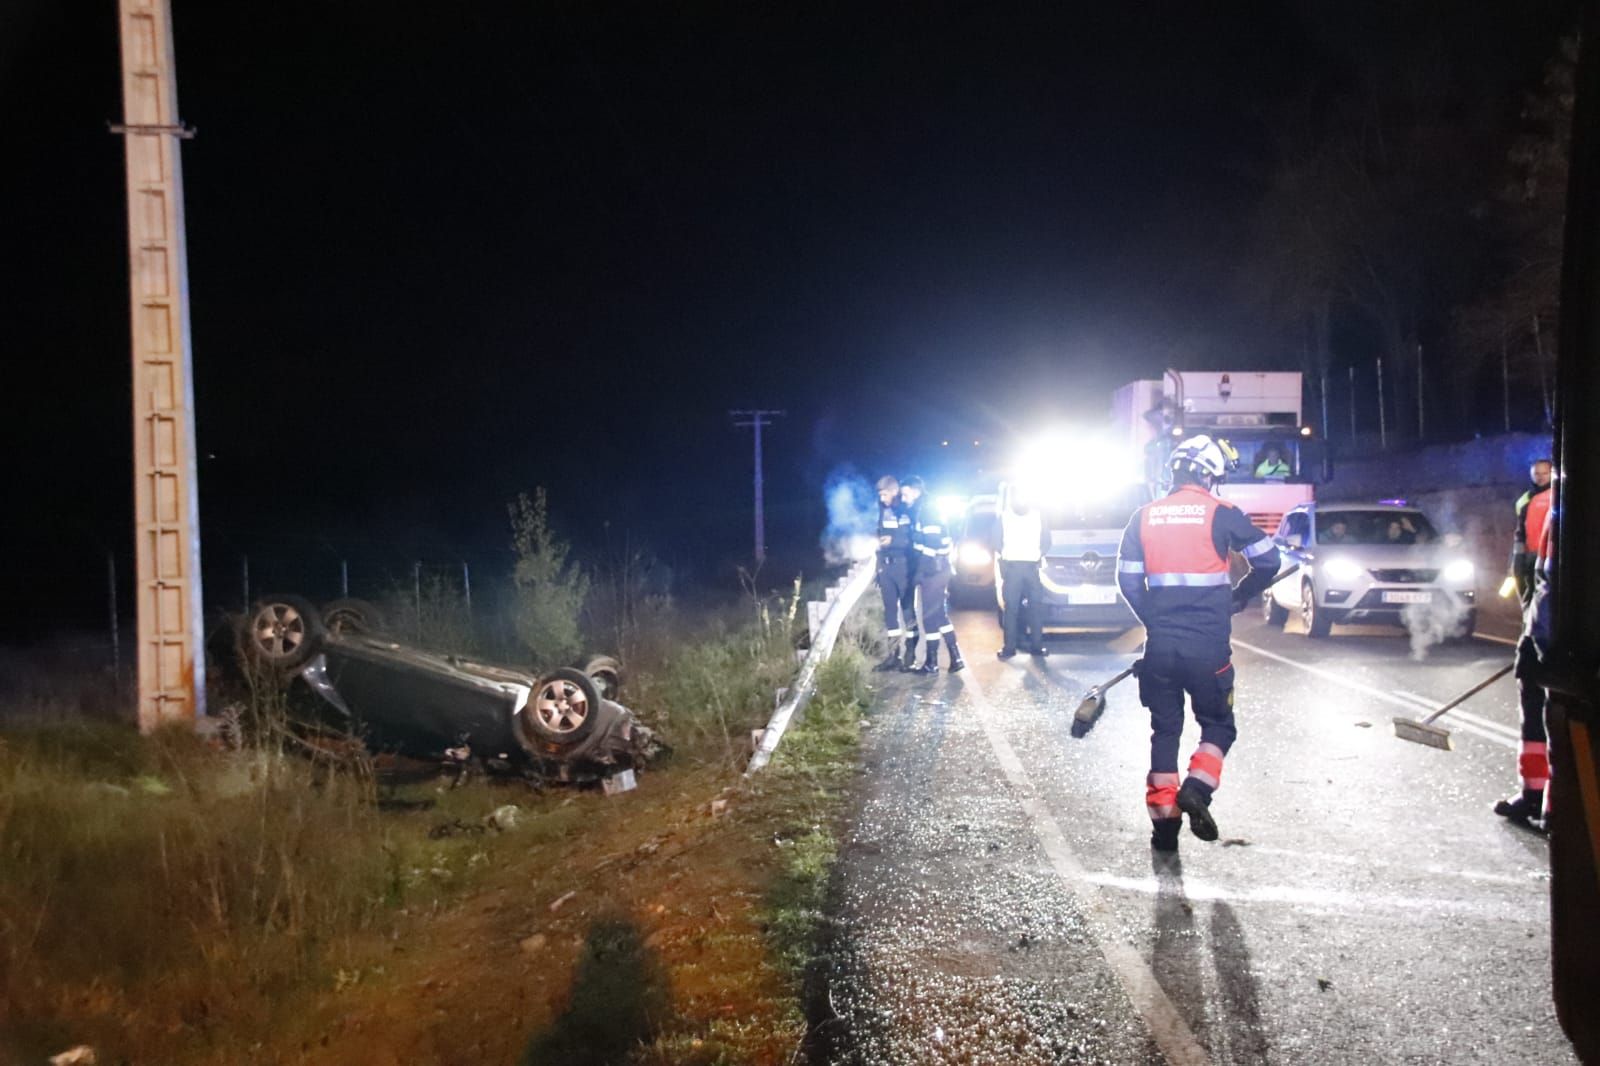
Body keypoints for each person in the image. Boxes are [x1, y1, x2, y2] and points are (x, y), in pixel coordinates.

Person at [1116, 434, 1281, 853]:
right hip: (1208, 649)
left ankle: (1165, 828)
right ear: (1209, 475)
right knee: (1219, 726)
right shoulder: (1222, 512)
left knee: (1164, 731)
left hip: (1161, 648)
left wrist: (1155, 620)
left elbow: (1128, 581)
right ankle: (1197, 788)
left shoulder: (1144, 516)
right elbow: (1269, 560)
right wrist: (1240, 594)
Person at [1497, 485, 1555, 831]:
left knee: (1545, 713)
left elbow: (1542, 575)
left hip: (1553, 627)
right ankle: (1540, 796)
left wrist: (1535, 634)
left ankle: (1544, 799)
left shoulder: (1553, 503)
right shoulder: (1540, 503)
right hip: (1549, 621)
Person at [903, 477, 965, 674]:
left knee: (929, 617)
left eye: (905, 494)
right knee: (939, 615)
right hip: (940, 568)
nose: (904, 499)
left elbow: (931, 544)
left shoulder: (927, 510)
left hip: (933, 570)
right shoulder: (929, 508)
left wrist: (920, 571)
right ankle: (956, 658)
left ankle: (932, 662)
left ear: (915, 491)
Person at [995, 482, 1051, 660]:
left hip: (1017, 569)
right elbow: (1047, 541)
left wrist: (1005, 554)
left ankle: (1012, 648)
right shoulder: (1037, 516)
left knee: (1015, 609)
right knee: (1025, 608)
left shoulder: (1004, 517)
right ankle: (1032, 647)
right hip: (1026, 568)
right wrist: (1038, 553)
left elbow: (995, 541)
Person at [872, 475, 918, 671]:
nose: (882, 499)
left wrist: (893, 542)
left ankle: (910, 653)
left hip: (903, 567)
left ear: (894, 491)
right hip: (886, 567)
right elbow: (879, 536)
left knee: (907, 611)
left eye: (884, 494)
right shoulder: (883, 510)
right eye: (880, 495)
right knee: (890, 613)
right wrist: (878, 570)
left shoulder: (905, 511)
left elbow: (910, 541)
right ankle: (892, 655)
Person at [1509, 458, 1555, 608]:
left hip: (1550, 555)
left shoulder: (1558, 496)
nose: (1540, 477)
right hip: (1530, 555)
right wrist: (1517, 558)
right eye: (1537, 473)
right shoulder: (1524, 500)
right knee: (1529, 595)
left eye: (1545, 473)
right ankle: (1529, 625)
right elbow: (1520, 531)